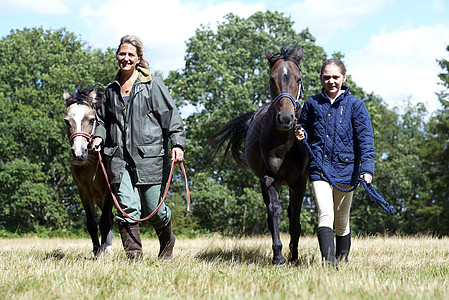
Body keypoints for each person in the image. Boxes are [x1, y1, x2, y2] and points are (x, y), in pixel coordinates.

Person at [92, 35, 186, 260]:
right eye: (122, 54)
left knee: (155, 209)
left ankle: (167, 245)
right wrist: (98, 136)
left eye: (130, 55)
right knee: (126, 209)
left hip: (150, 157)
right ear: (117, 56)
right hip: (118, 158)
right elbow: (104, 122)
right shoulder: (110, 90)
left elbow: (171, 116)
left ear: (138, 58)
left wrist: (177, 143)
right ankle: (134, 258)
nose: (125, 58)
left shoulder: (152, 85)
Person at [295, 58, 374, 267]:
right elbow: (304, 129)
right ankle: (328, 262)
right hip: (319, 168)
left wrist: (367, 169)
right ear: (321, 78)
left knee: (342, 219)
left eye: (335, 77)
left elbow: (365, 139)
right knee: (325, 213)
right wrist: (301, 134)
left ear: (344, 78)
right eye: (326, 77)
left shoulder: (356, 105)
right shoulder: (311, 104)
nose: (331, 81)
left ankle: (342, 258)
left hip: (347, 169)